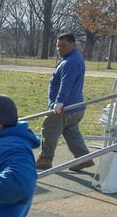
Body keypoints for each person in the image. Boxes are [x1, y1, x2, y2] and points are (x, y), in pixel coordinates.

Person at [36, 33, 93, 171]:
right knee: (72, 133)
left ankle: (45, 159)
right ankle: (84, 158)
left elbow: (66, 83)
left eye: (63, 46)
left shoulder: (70, 62)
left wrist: (59, 102)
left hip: (64, 108)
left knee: (49, 130)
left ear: (73, 45)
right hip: (76, 107)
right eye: (58, 45)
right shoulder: (74, 58)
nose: (59, 49)